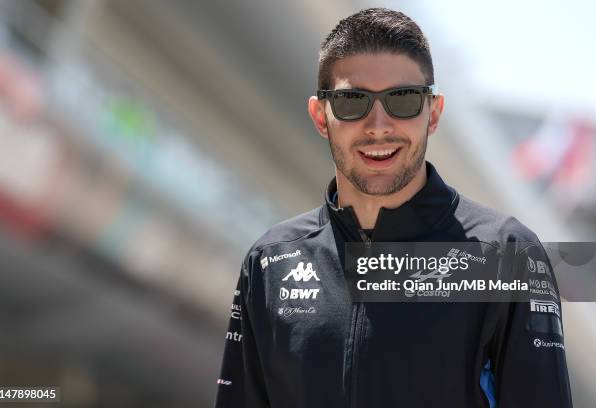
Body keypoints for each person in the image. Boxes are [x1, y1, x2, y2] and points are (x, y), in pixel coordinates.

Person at [214, 8, 572, 408]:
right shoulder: (270, 262)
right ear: (321, 116)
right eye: (353, 101)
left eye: (402, 99)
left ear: (433, 113)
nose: (379, 125)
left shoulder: (509, 255)